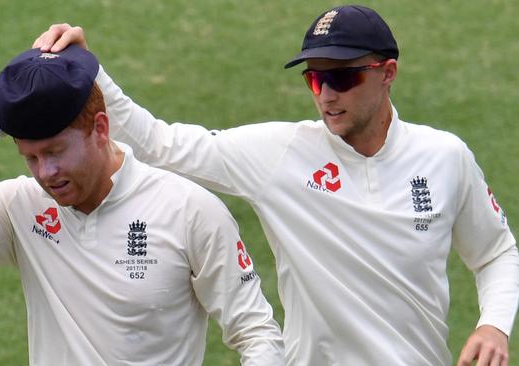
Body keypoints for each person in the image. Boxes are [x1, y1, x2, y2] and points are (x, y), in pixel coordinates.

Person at [33, 4, 519, 366]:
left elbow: (497, 252)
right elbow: (162, 143)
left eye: (343, 79)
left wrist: (494, 325)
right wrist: (88, 68)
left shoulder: (445, 157)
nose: (326, 96)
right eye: (314, 80)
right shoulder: (280, 155)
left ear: (387, 73)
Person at [0, 45, 285, 365]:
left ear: (100, 128)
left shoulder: (189, 210)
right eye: (30, 157)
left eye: (55, 152)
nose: (45, 173)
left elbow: (257, 335)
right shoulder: (20, 206)